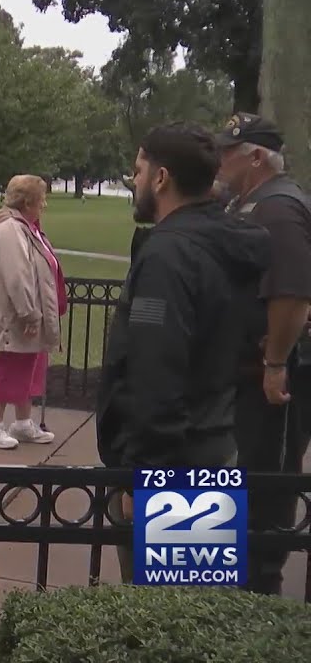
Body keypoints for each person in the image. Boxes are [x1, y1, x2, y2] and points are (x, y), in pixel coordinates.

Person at [96, 121, 269, 583]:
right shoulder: (228, 242)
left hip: (171, 469)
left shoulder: (169, 257)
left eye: (137, 171)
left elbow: (157, 368)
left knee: (158, 616)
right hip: (214, 443)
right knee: (190, 609)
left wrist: (143, 473)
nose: (134, 182)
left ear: (161, 178)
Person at [215, 112, 311, 595]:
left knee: (265, 480)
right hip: (252, 371)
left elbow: (293, 294)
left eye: (226, 155)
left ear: (255, 158)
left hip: (271, 378)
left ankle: (258, 588)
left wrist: (275, 363)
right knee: (249, 474)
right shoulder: (253, 203)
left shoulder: (277, 207)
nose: (219, 164)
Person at [0, 175, 66, 450]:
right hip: (15, 316)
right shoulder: (11, 230)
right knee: (12, 367)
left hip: (26, 313)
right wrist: (29, 314)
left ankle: (23, 423)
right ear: (27, 202)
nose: (44, 205)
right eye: (40, 200)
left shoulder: (26, 227)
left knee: (29, 366)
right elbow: (18, 277)